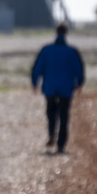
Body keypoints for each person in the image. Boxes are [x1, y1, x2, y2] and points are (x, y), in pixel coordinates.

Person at [31, 23, 86, 154]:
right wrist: (79, 83)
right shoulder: (72, 51)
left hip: (50, 87)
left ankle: (51, 135)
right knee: (64, 116)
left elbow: (37, 67)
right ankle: (61, 145)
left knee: (51, 113)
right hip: (66, 88)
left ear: (56, 33)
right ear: (66, 34)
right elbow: (79, 68)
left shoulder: (46, 50)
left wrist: (35, 83)